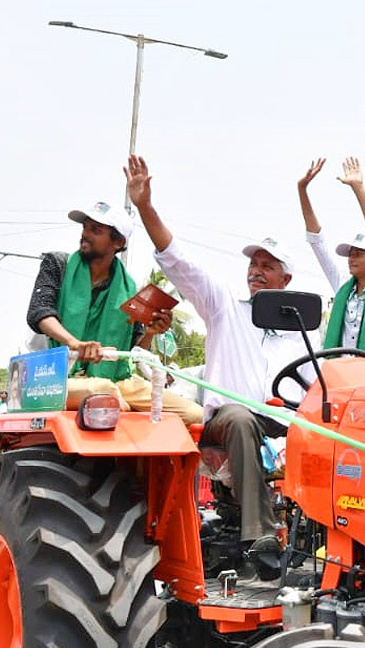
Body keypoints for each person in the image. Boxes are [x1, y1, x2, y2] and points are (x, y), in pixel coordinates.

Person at [125, 154, 312, 553]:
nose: (255, 271)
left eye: (267, 265)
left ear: (287, 279)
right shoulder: (225, 307)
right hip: (228, 421)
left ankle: (324, 540)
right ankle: (261, 536)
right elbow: (180, 264)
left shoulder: (300, 335)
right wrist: (145, 207)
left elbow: (317, 389)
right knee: (243, 418)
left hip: (282, 424)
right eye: (253, 264)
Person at [25, 201, 203, 421]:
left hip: (117, 380)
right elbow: (39, 312)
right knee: (104, 393)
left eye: (95, 230)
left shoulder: (129, 289)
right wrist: (75, 344)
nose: (85, 235)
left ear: (118, 242)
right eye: (85, 228)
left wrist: (150, 332)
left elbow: (132, 351)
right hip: (53, 376)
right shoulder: (57, 264)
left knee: (194, 414)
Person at [298, 157, 365, 361]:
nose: (351, 258)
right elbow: (317, 243)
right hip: (344, 376)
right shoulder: (343, 288)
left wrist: (358, 189)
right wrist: (302, 190)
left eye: (358, 253)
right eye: (349, 254)